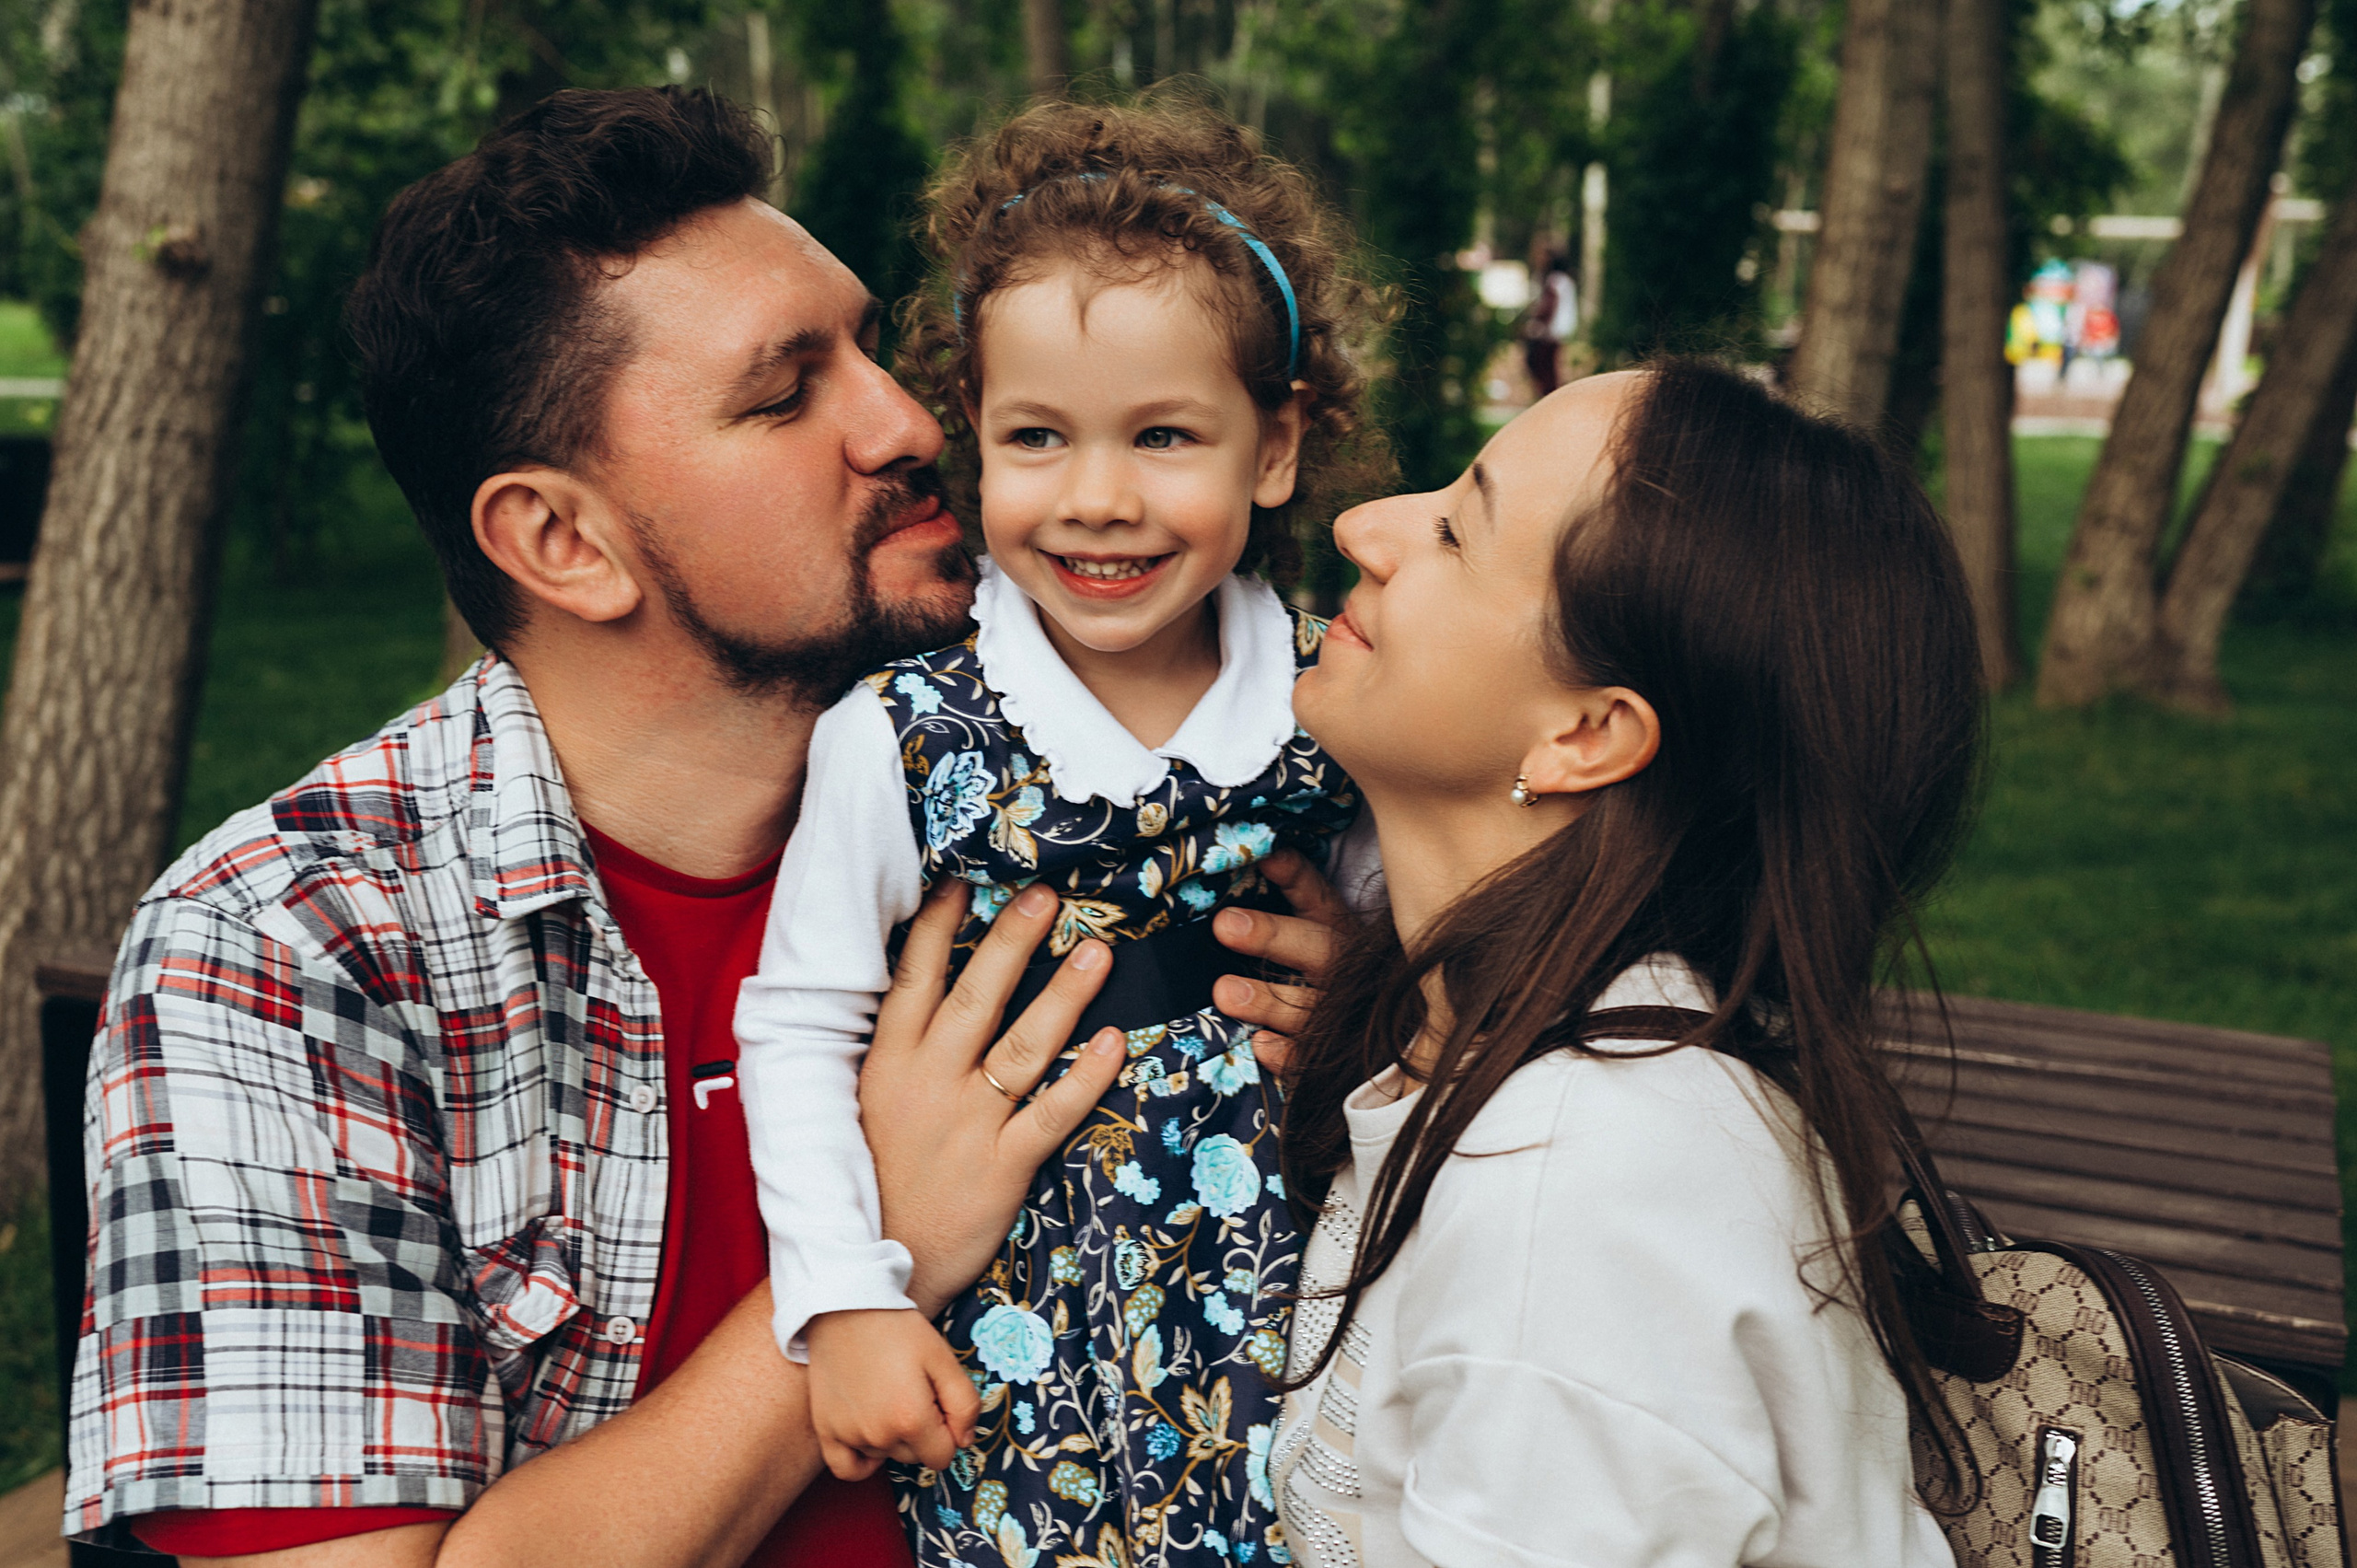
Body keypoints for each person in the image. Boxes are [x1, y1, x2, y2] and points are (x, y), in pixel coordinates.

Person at [59, 87, 1154, 1568]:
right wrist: (873, 1242)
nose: (907, 422)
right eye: (785, 396)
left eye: (869, 350)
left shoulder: (1087, 782)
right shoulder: (293, 946)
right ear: (564, 543)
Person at [731, 100, 1385, 1568]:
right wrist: (848, 1297)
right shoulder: (908, 733)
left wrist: (1378, 992)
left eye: (1164, 436)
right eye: (1037, 437)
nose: (1098, 498)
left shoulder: (1341, 705)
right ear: (974, 433)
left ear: (1275, 446)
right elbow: (799, 1022)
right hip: (1022, 1374)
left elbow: (1438, 960)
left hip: (1304, 1329)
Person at [1265, 360, 1980, 1564]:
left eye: (1456, 531)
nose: (1364, 527)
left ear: (1587, 734)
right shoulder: (1528, 1051)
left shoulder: (1575, 1203)